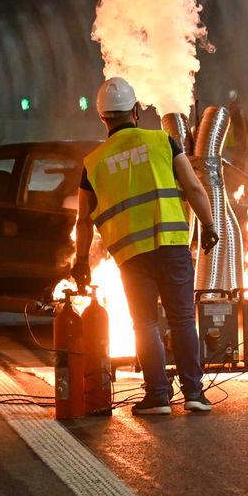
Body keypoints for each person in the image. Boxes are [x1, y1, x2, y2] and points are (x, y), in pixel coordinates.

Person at [73, 78, 220, 416]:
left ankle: (158, 396)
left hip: (131, 256)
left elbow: (82, 220)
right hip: (172, 247)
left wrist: (80, 259)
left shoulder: (93, 163)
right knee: (183, 320)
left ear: (102, 118)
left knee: (145, 324)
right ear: (135, 111)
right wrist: (209, 225)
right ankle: (194, 394)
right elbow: (194, 187)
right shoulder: (162, 142)